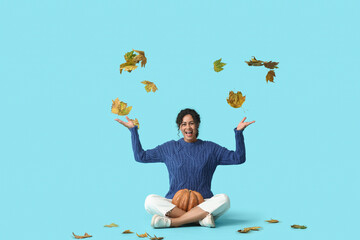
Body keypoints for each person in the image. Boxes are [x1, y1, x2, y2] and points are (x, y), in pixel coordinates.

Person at [115, 108, 255, 228]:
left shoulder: (211, 148)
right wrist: (133, 131)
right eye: (184, 124)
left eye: (191, 123)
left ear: (197, 125)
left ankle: (174, 223)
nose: (188, 127)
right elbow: (141, 157)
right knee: (149, 200)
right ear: (180, 127)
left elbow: (238, 158)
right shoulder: (169, 148)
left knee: (224, 199)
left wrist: (239, 132)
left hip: (203, 202)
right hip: (175, 204)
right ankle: (199, 219)